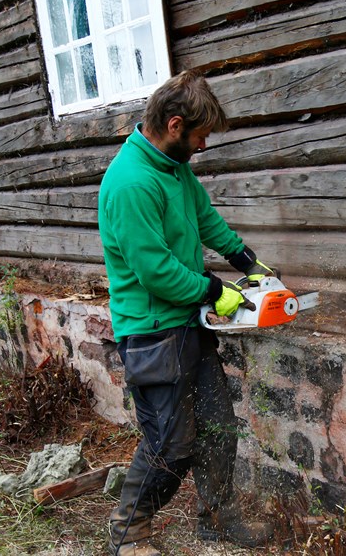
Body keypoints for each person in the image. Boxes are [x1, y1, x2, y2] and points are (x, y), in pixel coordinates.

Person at [98, 71, 276, 556]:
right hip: (152, 332)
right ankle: (129, 532)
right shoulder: (131, 183)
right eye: (200, 136)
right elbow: (155, 271)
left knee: (219, 428)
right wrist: (214, 290)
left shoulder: (175, 171)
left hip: (187, 327)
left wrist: (249, 263)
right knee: (170, 443)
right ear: (175, 125)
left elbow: (205, 220)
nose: (202, 145)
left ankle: (218, 517)